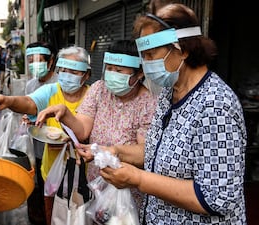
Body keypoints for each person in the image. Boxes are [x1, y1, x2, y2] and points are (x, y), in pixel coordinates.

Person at [99, 4, 247, 224]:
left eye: (151, 55)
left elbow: (216, 198)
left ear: (184, 50)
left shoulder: (216, 105)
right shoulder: (169, 93)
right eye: (144, 56)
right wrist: (116, 151)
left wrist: (138, 179)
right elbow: (156, 154)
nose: (146, 64)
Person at [35, 39, 158, 209]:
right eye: (109, 69)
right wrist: (65, 113)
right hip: (96, 184)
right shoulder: (99, 89)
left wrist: (114, 152)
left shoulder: (149, 103)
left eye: (119, 70)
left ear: (140, 73)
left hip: (127, 191)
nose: (112, 74)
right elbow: (83, 129)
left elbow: (145, 153)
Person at [0, 46, 91, 224]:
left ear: (86, 75)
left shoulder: (93, 97)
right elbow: (29, 102)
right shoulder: (51, 91)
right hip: (53, 173)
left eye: (73, 71)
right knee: (54, 217)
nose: (67, 75)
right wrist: (8, 100)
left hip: (87, 176)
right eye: (63, 70)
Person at [24, 41, 58, 225]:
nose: (33, 64)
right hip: (35, 145)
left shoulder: (61, 83)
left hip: (54, 148)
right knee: (34, 186)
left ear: (51, 61)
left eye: (38, 60)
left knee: (51, 189)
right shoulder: (30, 85)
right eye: (30, 60)